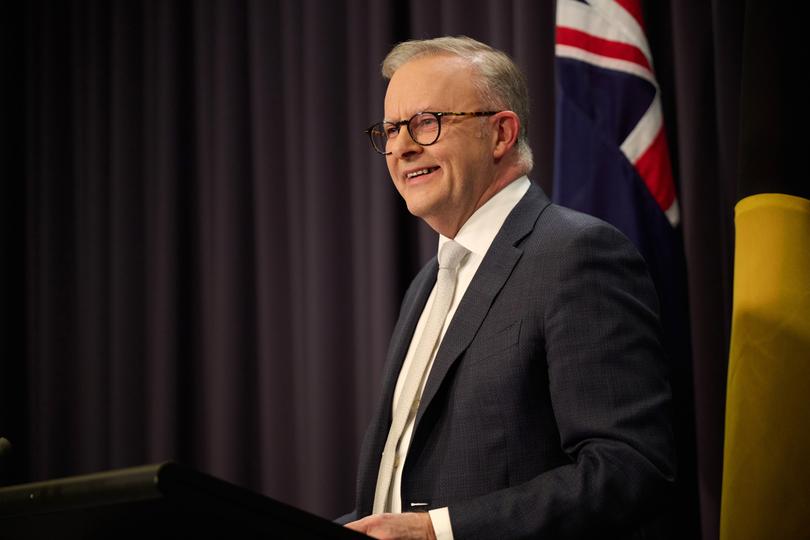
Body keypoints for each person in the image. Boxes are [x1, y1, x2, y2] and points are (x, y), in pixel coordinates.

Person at [342, 36, 675, 540]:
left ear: (500, 134)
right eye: (390, 130)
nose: (402, 147)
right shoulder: (425, 286)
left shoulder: (576, 255)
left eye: (426, 123)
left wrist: (441, 531)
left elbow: (629, 469)